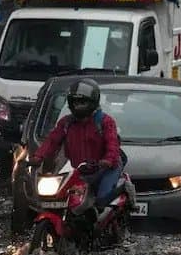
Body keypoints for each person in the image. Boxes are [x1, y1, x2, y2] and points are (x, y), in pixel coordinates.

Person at [29, 78, 123, 212]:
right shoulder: (66, 123)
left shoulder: (105, 122)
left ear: (92, 102)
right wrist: (38, 157)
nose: (78, 106)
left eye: (82, 102)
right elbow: (52, 141)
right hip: (80, 170)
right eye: (75, 102)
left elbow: (112, 145)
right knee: (64, 198)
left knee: (102, 200)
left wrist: (107, 160)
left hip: (105, 169)